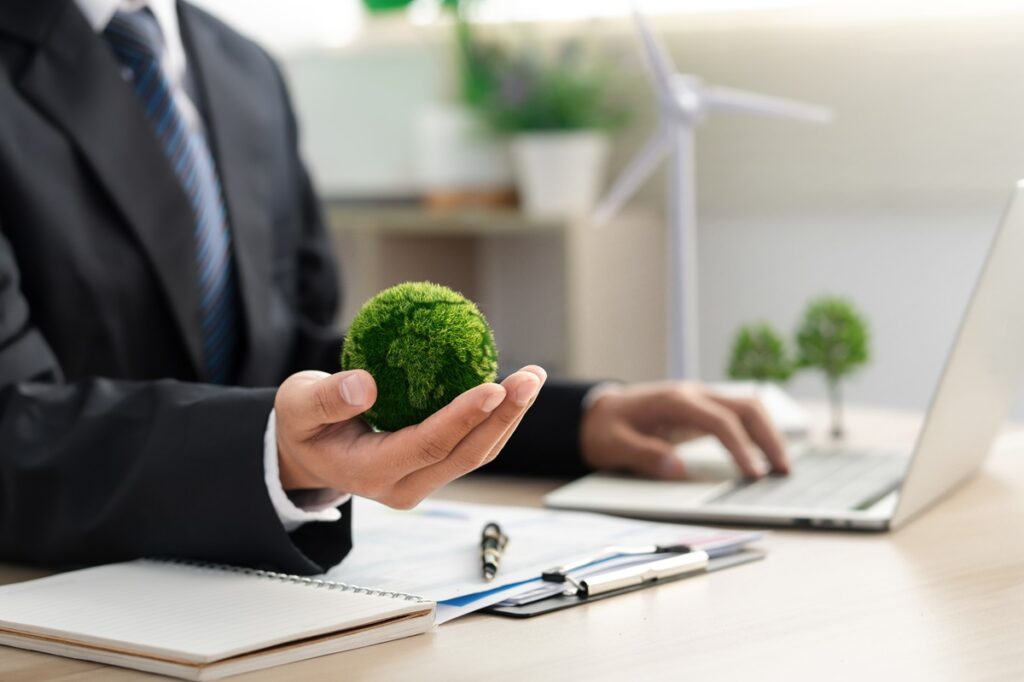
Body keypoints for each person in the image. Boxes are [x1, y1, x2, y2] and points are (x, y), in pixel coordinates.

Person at [0, 0, 788, 575]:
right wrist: (277, 452)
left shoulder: (242, 69)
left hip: (265, 599)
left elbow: (304, 359)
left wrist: (577, 418)